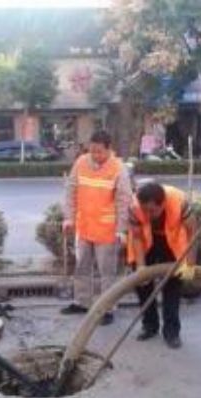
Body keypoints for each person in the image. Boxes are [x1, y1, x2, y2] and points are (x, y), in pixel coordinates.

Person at [61, 130, 132, 325]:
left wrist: (121, 230)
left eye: (99, 152)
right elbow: (71, 190)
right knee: (82, 267)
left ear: (109, 149)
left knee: (106, 272)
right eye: (92, 151)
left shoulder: (118, 168)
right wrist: (68, 218)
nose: (95, 156)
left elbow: (124, 201)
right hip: (83, 227)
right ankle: (81, 302)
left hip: (107, 231)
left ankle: (107, 308)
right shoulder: (81, 162)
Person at [127, 182, 197, 348]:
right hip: (145, 242)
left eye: (152, 210)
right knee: (142, 285)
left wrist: (190, 265)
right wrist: (141, 268)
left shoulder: (179, 201)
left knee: (172, 286)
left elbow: (193, 234)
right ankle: (150, 325)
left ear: (163, 203)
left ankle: (171, 332)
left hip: (171, 243)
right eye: (145, 210)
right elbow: (136, 237)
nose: (148, 214)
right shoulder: (134, 206)